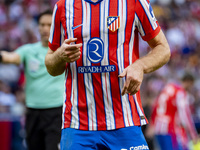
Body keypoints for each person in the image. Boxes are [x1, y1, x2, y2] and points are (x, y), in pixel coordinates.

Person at [45, 0, 171, 149]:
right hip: (78, 124)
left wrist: (140, 66)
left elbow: (163, 48)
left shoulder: (134, 2)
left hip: (125, 119)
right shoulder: (64, 6)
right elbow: (51, 65)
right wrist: (60, 55)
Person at [0, 10, 65, 150]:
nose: (45, 29)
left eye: (49, 24)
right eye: (42, 24)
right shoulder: (28, 50)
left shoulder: (62, 51)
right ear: (38, 27)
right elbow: (11, 57)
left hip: (57, 111)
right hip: (32, 111)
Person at [149, 73, 199, 150]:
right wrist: (193, 134)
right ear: (189, 82)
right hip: (169, 129)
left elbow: (155, 105)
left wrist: (152, 123)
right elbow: (185, 115)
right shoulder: (180, 92)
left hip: (158, 128)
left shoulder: (168, 87)